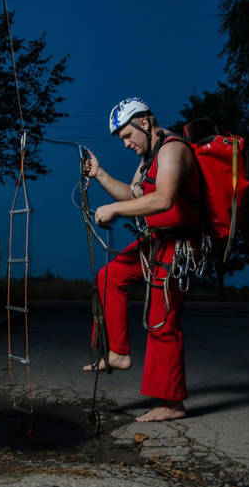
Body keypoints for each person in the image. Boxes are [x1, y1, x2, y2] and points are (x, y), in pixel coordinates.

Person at [83, 97, 201, 422]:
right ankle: (118, 353)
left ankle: (172, 404)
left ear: (144, 123)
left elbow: (163, 200)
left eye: (126, 135)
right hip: (154, 242)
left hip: (179, 246)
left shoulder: (173, 150)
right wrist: (100, 174)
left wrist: (115, 211)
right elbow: (134, 194)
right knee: (110, 276)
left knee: (162, 318)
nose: (125, 143)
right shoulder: (148, 157)